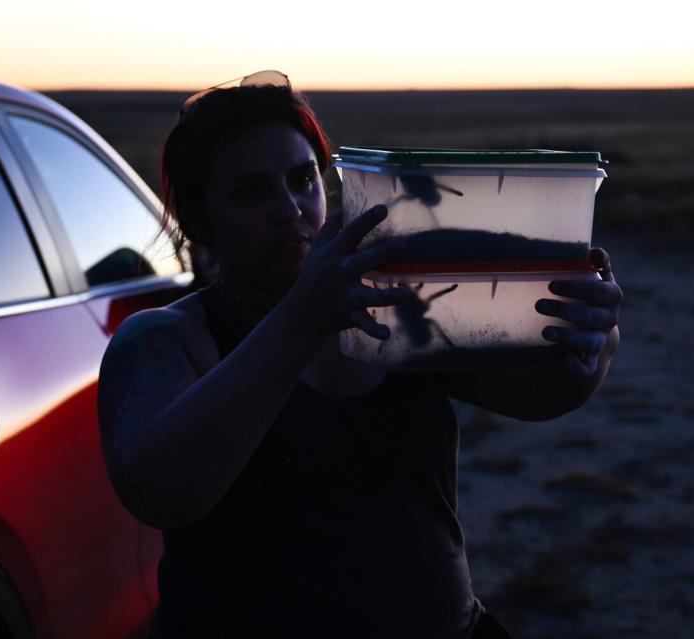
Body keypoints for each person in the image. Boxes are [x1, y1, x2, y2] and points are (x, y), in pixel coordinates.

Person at [96, 73, 622, 638]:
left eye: (303, 179)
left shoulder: (396, 305)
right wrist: (302, 316)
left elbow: (542, 398)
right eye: (252, 191)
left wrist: (591, 338)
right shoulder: (164, 339)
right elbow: (161, 492)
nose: (289, 208)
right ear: (198, 222)